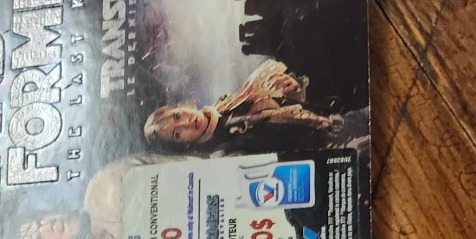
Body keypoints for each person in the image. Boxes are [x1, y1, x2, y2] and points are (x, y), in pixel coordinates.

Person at [144, 59, 343, 152]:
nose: (186, 123)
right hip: (330, 144)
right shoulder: (224, 151)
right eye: (177, 134)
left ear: (181, 106)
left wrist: (293, 86)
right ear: (183, 145)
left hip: (332, 117)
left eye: (177, 116)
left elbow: (292, 105)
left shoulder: (226, 104)